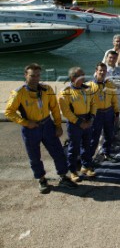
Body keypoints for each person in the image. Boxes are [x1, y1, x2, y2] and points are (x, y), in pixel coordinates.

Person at [5, 63, 78, 193]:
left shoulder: (47, 89)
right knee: (34, 156)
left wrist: (58, 126)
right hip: (31, 129)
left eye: (38, 75)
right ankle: (41, 179)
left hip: (47, 125)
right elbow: (9, 112)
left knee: (58, 152)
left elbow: (55, 108)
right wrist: (26, 122)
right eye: (32, 76)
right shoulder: (18, 93)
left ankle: (63, 176)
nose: (35, 78)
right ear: (25, 75)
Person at [58, 67, 97, 182]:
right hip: (75, 124)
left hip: (88, 120)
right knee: (73, 148)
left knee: (86, 145)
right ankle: (73, 170)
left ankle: (86, 166)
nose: (84, 77)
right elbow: (66, 112)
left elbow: (94, 104)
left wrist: (91, 118)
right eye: (81, 75)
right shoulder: (65, 92)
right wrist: (79, 122)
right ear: (73, 77)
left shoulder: (88, 89)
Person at [86, 62, 120, 163]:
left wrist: (116, 112)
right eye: (100, 70)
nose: (102, 72)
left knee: (109, 135)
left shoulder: (110, 84)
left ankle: (106, 153)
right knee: (94, 137)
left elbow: (114, 99)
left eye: (104, 71)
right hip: (96, 114)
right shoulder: (88, 86)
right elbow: (87, 103)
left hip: (109, 112)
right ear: (96, 71)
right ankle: (89, 158)